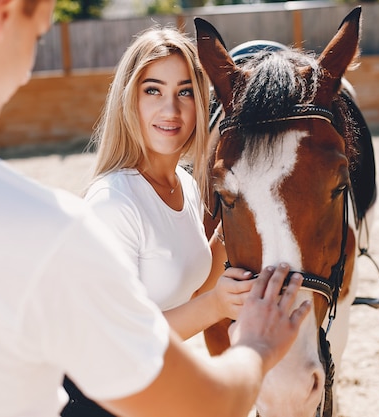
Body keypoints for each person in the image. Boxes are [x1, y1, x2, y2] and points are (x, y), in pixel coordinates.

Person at [0, 2, 310, 417]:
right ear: (1, 12)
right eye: (38, 34)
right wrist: (259, 347)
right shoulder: (43, 229)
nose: (29, 67)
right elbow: (202, 403)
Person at [61, 26, 260, 417]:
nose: (171, 110)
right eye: (153, 90)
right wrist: (216, 305)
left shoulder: (182, 184)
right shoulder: (113, 203)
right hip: (97, 403)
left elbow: (185, 282)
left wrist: (237, 225)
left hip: (153, 389)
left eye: (185, 91)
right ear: (129, 100)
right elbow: (119, 339)